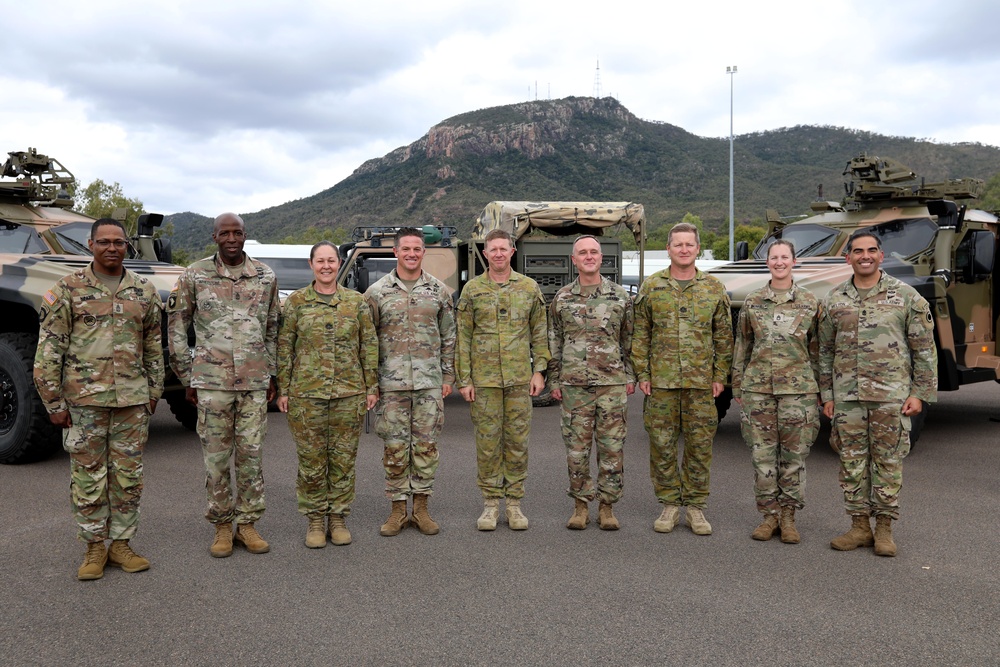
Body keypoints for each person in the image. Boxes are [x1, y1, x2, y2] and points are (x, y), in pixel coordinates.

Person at [34, 218, 164, 580]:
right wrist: (54, 404)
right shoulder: (66, 290)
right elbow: (48, 353)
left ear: (127, 247)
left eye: (118, 242)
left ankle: (121, 544)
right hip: (84, 403)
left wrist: (153, 392)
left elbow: (153, 346)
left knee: (128, 477)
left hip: (132, 403)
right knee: (89, 477)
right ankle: (94, 547)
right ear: (90, 244)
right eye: (104, 241)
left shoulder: (143, 291)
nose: (111, 247)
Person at [167, 212, 280, 558]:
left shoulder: (265, 276)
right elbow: (176, 327)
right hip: (212, 384)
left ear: (245, 235)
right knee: (216, 459)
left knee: (251, 456)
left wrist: (272, 372)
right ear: (214, 237)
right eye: (224, 233)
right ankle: (221, 526)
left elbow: (274, 326)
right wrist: (189, 375)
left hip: (254, 383)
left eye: (238, 232)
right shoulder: (195, 274)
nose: (231, 238)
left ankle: (247, 525)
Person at [820, 230, 937, 557]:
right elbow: (825, 351)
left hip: (891, 397)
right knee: (852, 462)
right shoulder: (834, 299)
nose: (865, 256)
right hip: (848, 397)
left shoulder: (906, 297)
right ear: (849, 257)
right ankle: (859, 527)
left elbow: (924, 349)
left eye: (872, 250)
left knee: (887, 462)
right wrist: (827, 394)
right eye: (858, 251)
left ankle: (884, 529)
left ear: (881, 256)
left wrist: (920, 393)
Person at [631, 222, 732, 535]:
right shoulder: (652, 286)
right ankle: (670, 504)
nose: (684, 249)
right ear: (669, 249)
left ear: (697, 249)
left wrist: (720, 376)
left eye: (690, 244)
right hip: (661, 383)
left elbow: (724, 336)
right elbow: (641, 333)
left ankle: (696, 508)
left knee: (700, 446)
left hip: (701, 384)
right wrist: (643, 373)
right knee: (661, 445)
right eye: (678, 245)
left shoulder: (713, 288)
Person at [276, 241, 378, 548]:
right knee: (311, 460)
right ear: (311, 265)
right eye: (320, 261)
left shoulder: (356, 302)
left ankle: (338, 517)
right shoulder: (296, 303)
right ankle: (316, 520)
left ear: (338, 264)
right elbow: (285, 347)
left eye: (331, 261)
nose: (326, 266)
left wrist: (371, 386)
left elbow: (368, 345)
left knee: (344, 459)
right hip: (307, 395)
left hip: (348, 393)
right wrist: (283, 389)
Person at [365, 227, 456, 536]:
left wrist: (447, 376)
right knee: (394, 448)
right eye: (406, 249)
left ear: (423, 252)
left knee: (426, 447)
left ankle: (421, 509)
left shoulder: (439, 291)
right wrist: (371, 383)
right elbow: (368, 342)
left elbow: (449, 336)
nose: (412, 253)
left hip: (429, 383)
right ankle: (397, 511)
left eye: (417, 249)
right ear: (396, 252)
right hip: (391, 385)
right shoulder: (377, 293)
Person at [456, 228, 549, 531]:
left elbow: (539, 332)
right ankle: (491, 504)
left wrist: (540, 370)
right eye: (492, 249)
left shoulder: (528, 287)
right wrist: (464, 379)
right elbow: (463, 338)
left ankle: (514, 504)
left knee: (518, 442)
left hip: (520, 379)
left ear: (512, 252)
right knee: (487, 443)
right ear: (485, 254)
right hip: (484, 382)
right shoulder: (472, 290)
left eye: (503, 249)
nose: (498, 253)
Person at [732, 240, 820, 543]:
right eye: (774, 257)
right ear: (767, 262)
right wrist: (737, 383)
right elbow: (742, 344)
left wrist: (821, 389)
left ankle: (789, 517)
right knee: (762, 456)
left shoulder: (810, 302)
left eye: (785, 257)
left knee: (794, 456)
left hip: (799, 392)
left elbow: (819, 350)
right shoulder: (753, 301)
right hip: (758, 390)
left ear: (794, 261)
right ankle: (768, 516)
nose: (779, 262)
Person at [548, 235, 634, 531]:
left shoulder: (620, 296)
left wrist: (631, 376)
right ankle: (581, 506)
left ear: (601, 258)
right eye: (582, 252)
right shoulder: (562, 298)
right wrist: (554, 378)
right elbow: (554, 339)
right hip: (574, 386)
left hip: (611, 385)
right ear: (574, 260)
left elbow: (630, 340)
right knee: (577, 449)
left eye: (593, 252)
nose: (588, 256)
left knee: (612, 448)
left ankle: (607, 507)